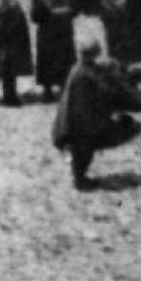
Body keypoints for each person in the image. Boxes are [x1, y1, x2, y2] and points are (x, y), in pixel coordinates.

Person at [53, 42, 120, 190]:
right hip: (80, 122)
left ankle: (80, 177)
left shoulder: (79, 68)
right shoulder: (83, 75)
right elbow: (84, 102)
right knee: (83, 152)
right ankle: (80, 180)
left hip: (76, 119)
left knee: (83, 152)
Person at [31, 0, 77, 97]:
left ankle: (47, 90)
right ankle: (64, 88)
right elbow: (74, 13)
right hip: (65, 34)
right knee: (65, 60)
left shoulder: (41, 0)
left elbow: (35, 17)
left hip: (47, 35)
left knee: (47, 60)